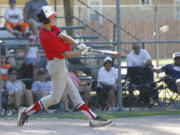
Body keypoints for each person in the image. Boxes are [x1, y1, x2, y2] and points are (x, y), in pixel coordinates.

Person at [17, 6, 112, 127]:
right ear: (46, 20)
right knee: (55, 98)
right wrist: (81, 53)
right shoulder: (48, 36)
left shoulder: (51, 28)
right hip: (57, 66)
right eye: (52, 17)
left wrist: (78, 44)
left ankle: (93, 118)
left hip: (59, 65)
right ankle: (26, 111)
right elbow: (65, 54)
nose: (55, 18)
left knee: (75, 96)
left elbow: (63, 36)